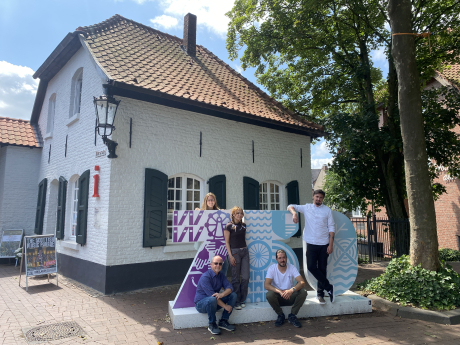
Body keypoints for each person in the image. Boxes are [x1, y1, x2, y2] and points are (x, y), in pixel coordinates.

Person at [288, 189, 335, 304]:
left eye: (321, 198)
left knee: (322, 269)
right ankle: (329, 287)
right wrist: (294, 213)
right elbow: (290, 206)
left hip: (324, 244)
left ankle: (320, 294)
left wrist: (330, 244)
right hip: (311, 243)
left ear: (323, 199)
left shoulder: (327, 210)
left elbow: (331, 228)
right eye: (317, 197)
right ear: (313, 196)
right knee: (311, 267)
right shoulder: (307, 207)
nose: (318, 199)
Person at [194, 255, 237, 335]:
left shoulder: (221, 275)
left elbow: (230, 288)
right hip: (201, 304)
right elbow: (212, 296)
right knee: (212, 299)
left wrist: (222, 294)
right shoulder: (205, 277)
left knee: (233, 295)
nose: (218, 265)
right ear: (211, 265)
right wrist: (225, 306)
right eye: (216, 263)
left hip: (213, 303)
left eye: (220, 264)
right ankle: (212, 324)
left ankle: (223, 321)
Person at [264, 249, 308, 327]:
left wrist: (291, 290)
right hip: (278, 297)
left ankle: (292, 315)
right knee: (269, 294)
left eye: (283, 257)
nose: (282, 260)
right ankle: (280, 315)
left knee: (303, 291)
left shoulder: (291, 267)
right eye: (280, 258)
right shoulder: (272, 268)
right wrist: (280, 291)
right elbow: (266, 285)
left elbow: (302, 282)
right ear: (276, 259)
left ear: (286, 258)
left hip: (290, 296)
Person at [195, 193, 230, 276]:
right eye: (209, 200)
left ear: (215, 201)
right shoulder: (200, 212)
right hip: (204, 244)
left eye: (212, 200)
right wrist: (196, 212)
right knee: (206, 265)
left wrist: (224, 213)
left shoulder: (219, 212)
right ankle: (207, 285)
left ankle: (220, 284)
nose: (211, 201)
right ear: (206, 201)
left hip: (218, 243)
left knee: (224, 264)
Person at [224, 206, 249, 310]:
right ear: (233, 214)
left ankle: (242, 299)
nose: (239, 215)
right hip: (234, 253)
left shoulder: (244, 225)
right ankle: (236, 301)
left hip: (245, 252)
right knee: (235, 278)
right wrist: (230, 256)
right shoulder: (229, 226)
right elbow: (227, 242)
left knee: (245, 277)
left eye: (241, 213)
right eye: (237, 213)